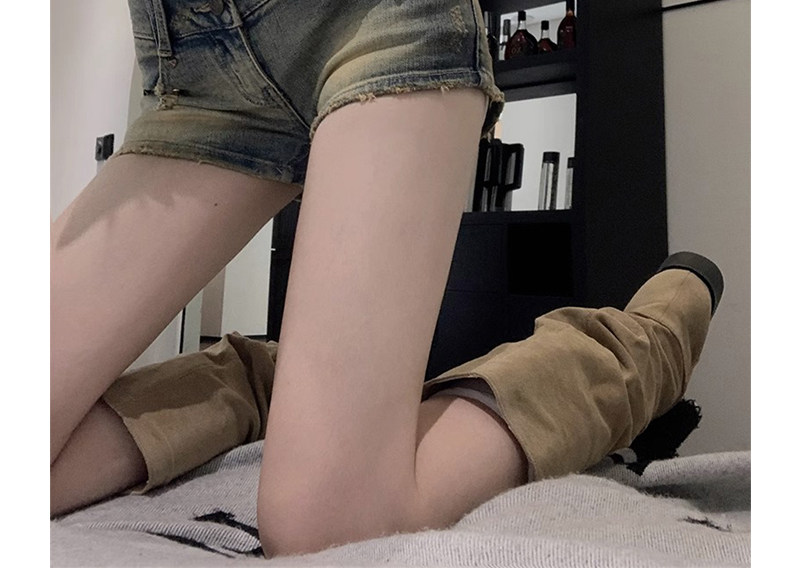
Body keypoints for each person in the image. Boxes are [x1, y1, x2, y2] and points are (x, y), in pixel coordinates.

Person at [50, 0, 723, 558]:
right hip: (196, 60)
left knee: (326, 525)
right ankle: (265, 385)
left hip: (372, 21)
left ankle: (644, 345)